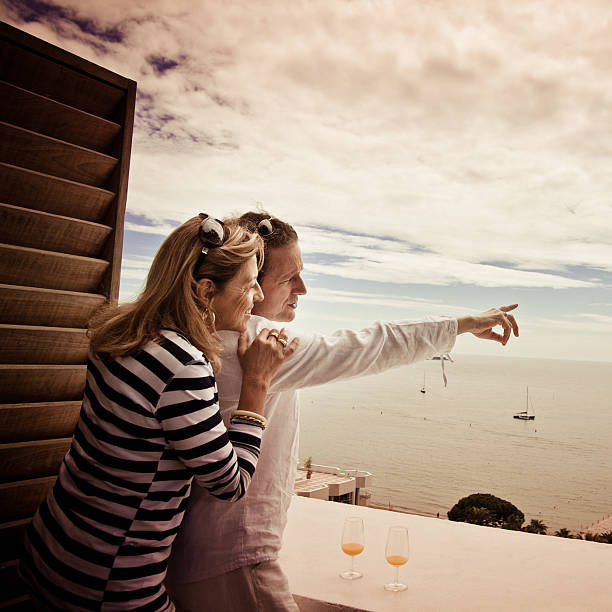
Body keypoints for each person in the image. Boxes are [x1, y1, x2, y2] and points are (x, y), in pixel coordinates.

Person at [165, 212, 519, 611]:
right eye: (288, 278)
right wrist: (464, 323)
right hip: (236, 557)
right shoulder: (250, 345)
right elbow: (368, 346)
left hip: (195, 557)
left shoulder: (191, 342)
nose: (303, 288)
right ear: (254, 286)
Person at [19, 214, 298, 611]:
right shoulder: (181, 364)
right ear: (205, 291)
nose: (257, 295)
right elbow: (229, 483)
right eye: (249, 283)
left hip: (50, 547)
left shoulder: (121, 332)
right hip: (109, 581)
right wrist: (257, 382)